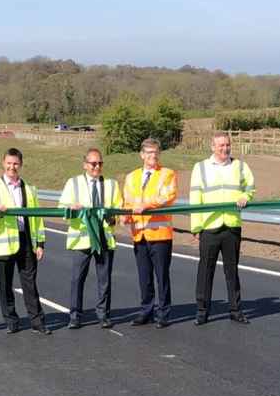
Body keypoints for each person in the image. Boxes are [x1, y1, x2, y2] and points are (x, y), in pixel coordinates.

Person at [0, 147, 51, 335]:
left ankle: (37, 321)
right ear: (3, 163)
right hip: (3, 243)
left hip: (26, 241)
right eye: (9, 163)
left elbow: (37, 218)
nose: (12, 167)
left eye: (16, 163)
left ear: (21, 165)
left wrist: (40, 243)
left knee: (30, 283)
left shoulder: (29, 188)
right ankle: (11, 320)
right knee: (6, 285)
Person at [189, 131, 255, 325]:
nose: (225, 148)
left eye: (227, 145)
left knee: (231, 270)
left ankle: (235, 310)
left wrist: (246, 197)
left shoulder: (241, 166)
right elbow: (195, 198)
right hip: (209, 226)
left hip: (231, 226)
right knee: (205, 270)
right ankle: (202, 311)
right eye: (221, 146)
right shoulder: (200, 168)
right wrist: (196, 227)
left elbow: (250, 187)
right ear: (213, 147)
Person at [59, 147, 123, 329]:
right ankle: (75, 315)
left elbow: (118, 208)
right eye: (93, 163)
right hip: (82, 239)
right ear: (85, 165)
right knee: (77, 278)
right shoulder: (73, 183)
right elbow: (62, 208)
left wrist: (112, 216)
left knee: (105, 279)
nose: (97, 167)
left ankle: (103, 314)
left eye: (100, 163)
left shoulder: (111, 185)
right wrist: (73, 207)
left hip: (104, 238)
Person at [123, 138, 178, 328]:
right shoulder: (131, 177)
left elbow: (166, 197)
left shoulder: (167, 174)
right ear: (142, 155)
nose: (153, 156)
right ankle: (146, 310)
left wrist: (146, 205)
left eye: (155, 152)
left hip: (160, 233)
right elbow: (128, 202)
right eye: (149, 153)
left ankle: (163, 313)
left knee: (161, 275)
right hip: (139, 233)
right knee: (144, 276)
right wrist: (126, 216)